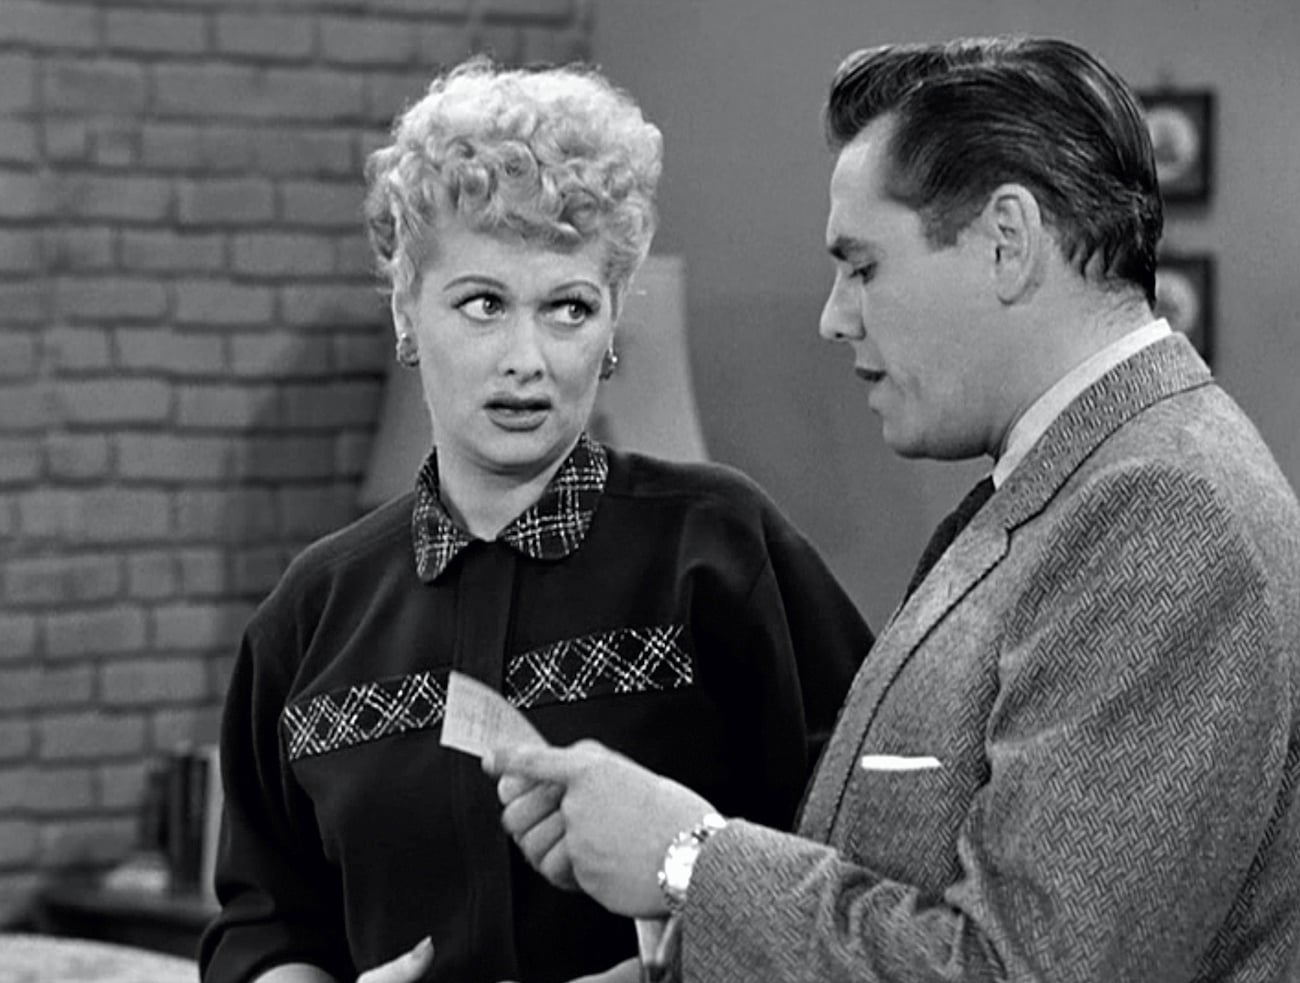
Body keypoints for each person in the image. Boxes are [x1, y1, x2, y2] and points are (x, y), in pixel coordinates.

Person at [491, 35, 1300, 982]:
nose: (835, 316)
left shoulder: (1164, 514)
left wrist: (690, 861)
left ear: (1007, 242)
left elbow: (1014, 970)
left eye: (864, 266)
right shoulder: (1068, 486)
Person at [196, 56, 873, 983]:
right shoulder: (311, 614)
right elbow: (261, 920)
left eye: (568, 308)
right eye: (483, 304)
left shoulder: (718, 548)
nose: (527, 359)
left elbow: (858, 865)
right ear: (406, 309)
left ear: (613, 322)